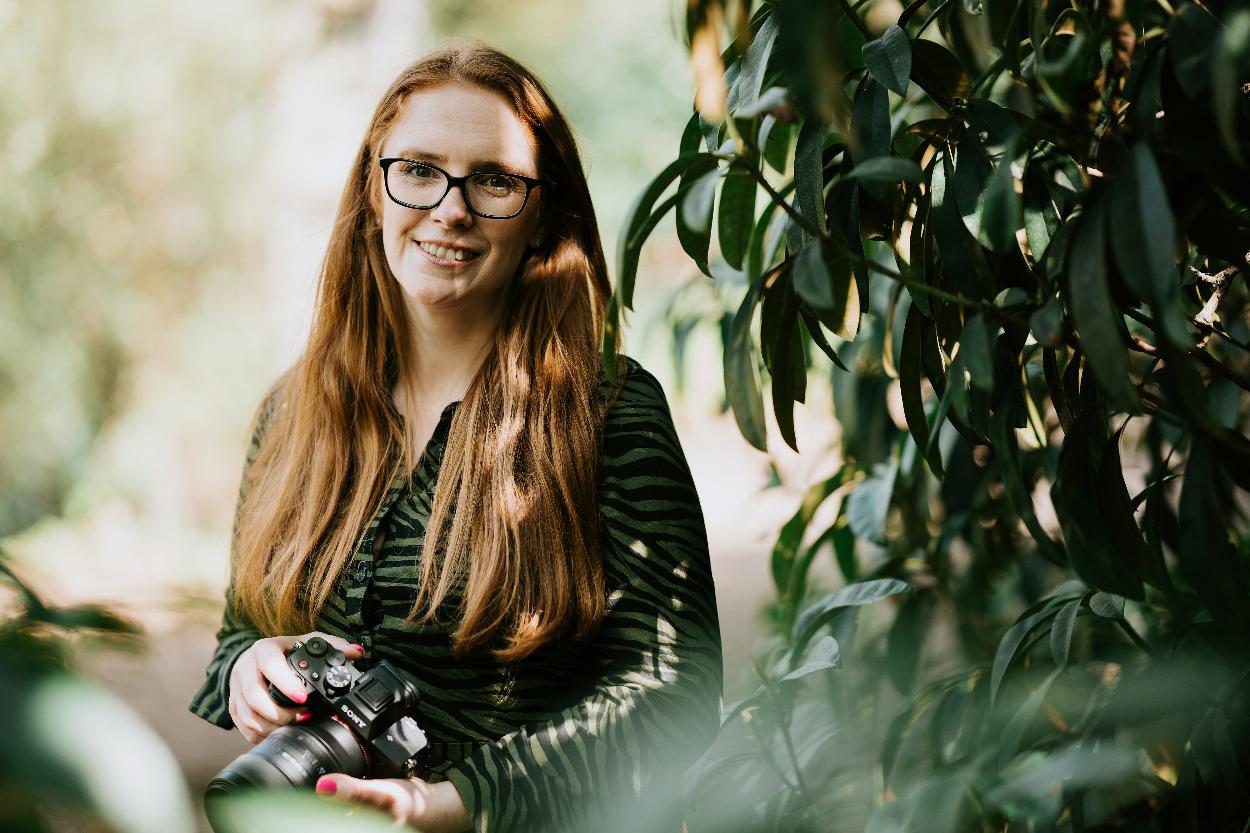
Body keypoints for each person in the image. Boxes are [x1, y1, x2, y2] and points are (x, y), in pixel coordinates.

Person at [188, 44, 723, 833]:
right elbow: (243, 624)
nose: (451, 209)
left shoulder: (607, 413)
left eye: (495, 180)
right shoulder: (292, 413)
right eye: (418, 170)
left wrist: (460, 801)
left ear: (544, 214)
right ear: (374, 191)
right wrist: (250, 669)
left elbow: (674, 693)